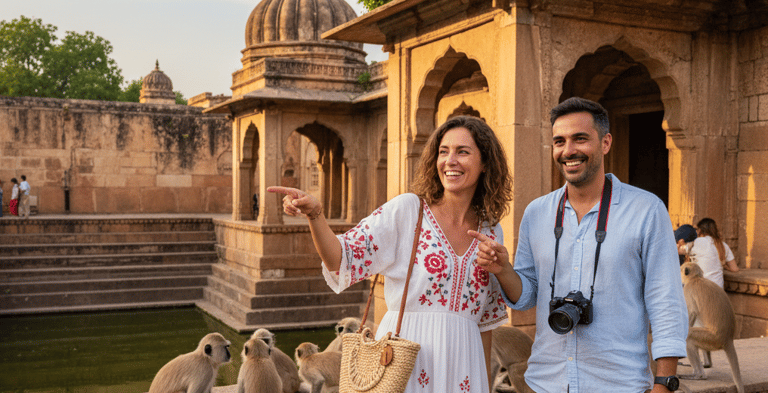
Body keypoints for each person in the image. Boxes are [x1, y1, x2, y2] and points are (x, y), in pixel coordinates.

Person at [268, 115, 513, 392]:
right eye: (443, 152)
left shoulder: (491, 230)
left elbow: (484, 322)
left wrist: (482, 382)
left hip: (464, 366)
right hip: (405, 359)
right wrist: (315, 214)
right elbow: (340, 258)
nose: (450, 160)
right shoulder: (408, 211)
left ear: (485, 164)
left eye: (463, 152)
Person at [476, 97, 688, 393]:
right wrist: (503, 270)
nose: (568, 151)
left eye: (580, 139)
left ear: (605, 143)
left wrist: (664, 383)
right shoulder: (537, 213)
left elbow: (666, 301)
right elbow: (526, 297)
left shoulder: (646, 210)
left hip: (618, 384)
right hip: (546, 382)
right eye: (559, 141)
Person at [689, 217, 738, 288]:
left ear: (700, 230)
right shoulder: (723, 245)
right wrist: (725, 267)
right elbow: (734, 269)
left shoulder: (698, 242)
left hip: (700, 288)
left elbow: (682, 250)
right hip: (718, 289)